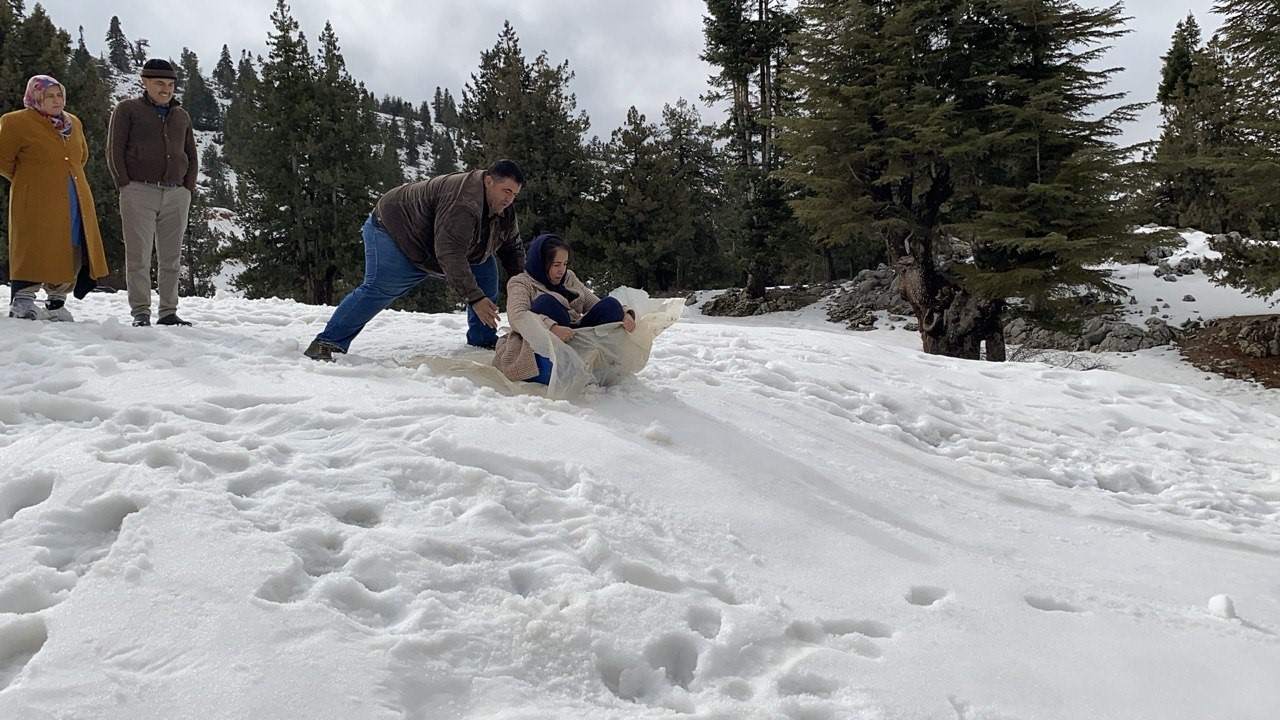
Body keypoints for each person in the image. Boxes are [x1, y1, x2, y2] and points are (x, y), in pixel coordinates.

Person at [304, 159, 525, 361]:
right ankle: (326, 343)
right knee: (380, 287)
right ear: (488, 181)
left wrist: (523, 286)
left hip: (443, 246)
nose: (509, 199)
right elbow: (449, 252)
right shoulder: (463, 201)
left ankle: (482, 339)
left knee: (486, 275)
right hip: (395, 232)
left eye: (514, 194)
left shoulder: (504, 208)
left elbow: (512, 247)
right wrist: (475, 298)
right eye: (506, 191)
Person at [0, 75, 108, 321]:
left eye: (59, 95)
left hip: (73, 193)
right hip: (35, 195)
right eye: (49, 95)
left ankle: (57, 300)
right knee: (33, 243)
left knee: (68, 242)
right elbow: (3, 159)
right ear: (35, 96)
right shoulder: (15, 122)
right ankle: (23, 299)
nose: (56, 100)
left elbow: (81, 156)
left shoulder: (73, 123)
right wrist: (30, 178)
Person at [106, 58, 198, 327]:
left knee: (171, 257)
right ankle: (141, 312)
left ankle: (168, 311)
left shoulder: (181, 115)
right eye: (159, 83)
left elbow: (191, 153)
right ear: (144, 82)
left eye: (170, 84)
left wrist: (187, 187)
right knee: (139, 255)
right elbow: (114, 149)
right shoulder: (127, 109)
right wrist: (124, 183)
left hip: (176, 193)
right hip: (138, 190)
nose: (165, 89)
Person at [493, 233, 635, 384]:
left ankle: (591, 360)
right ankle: (565, 364)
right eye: (556, 265)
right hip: (543, 342)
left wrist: (624, 314)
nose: (562, 270)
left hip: (574, 333)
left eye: (565, 264)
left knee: (611, 304)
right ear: (542, 263)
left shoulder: (569, 278)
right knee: (546, 303)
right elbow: (517, 316)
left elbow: (595, 303)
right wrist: (551, 327)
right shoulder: (521, 282)